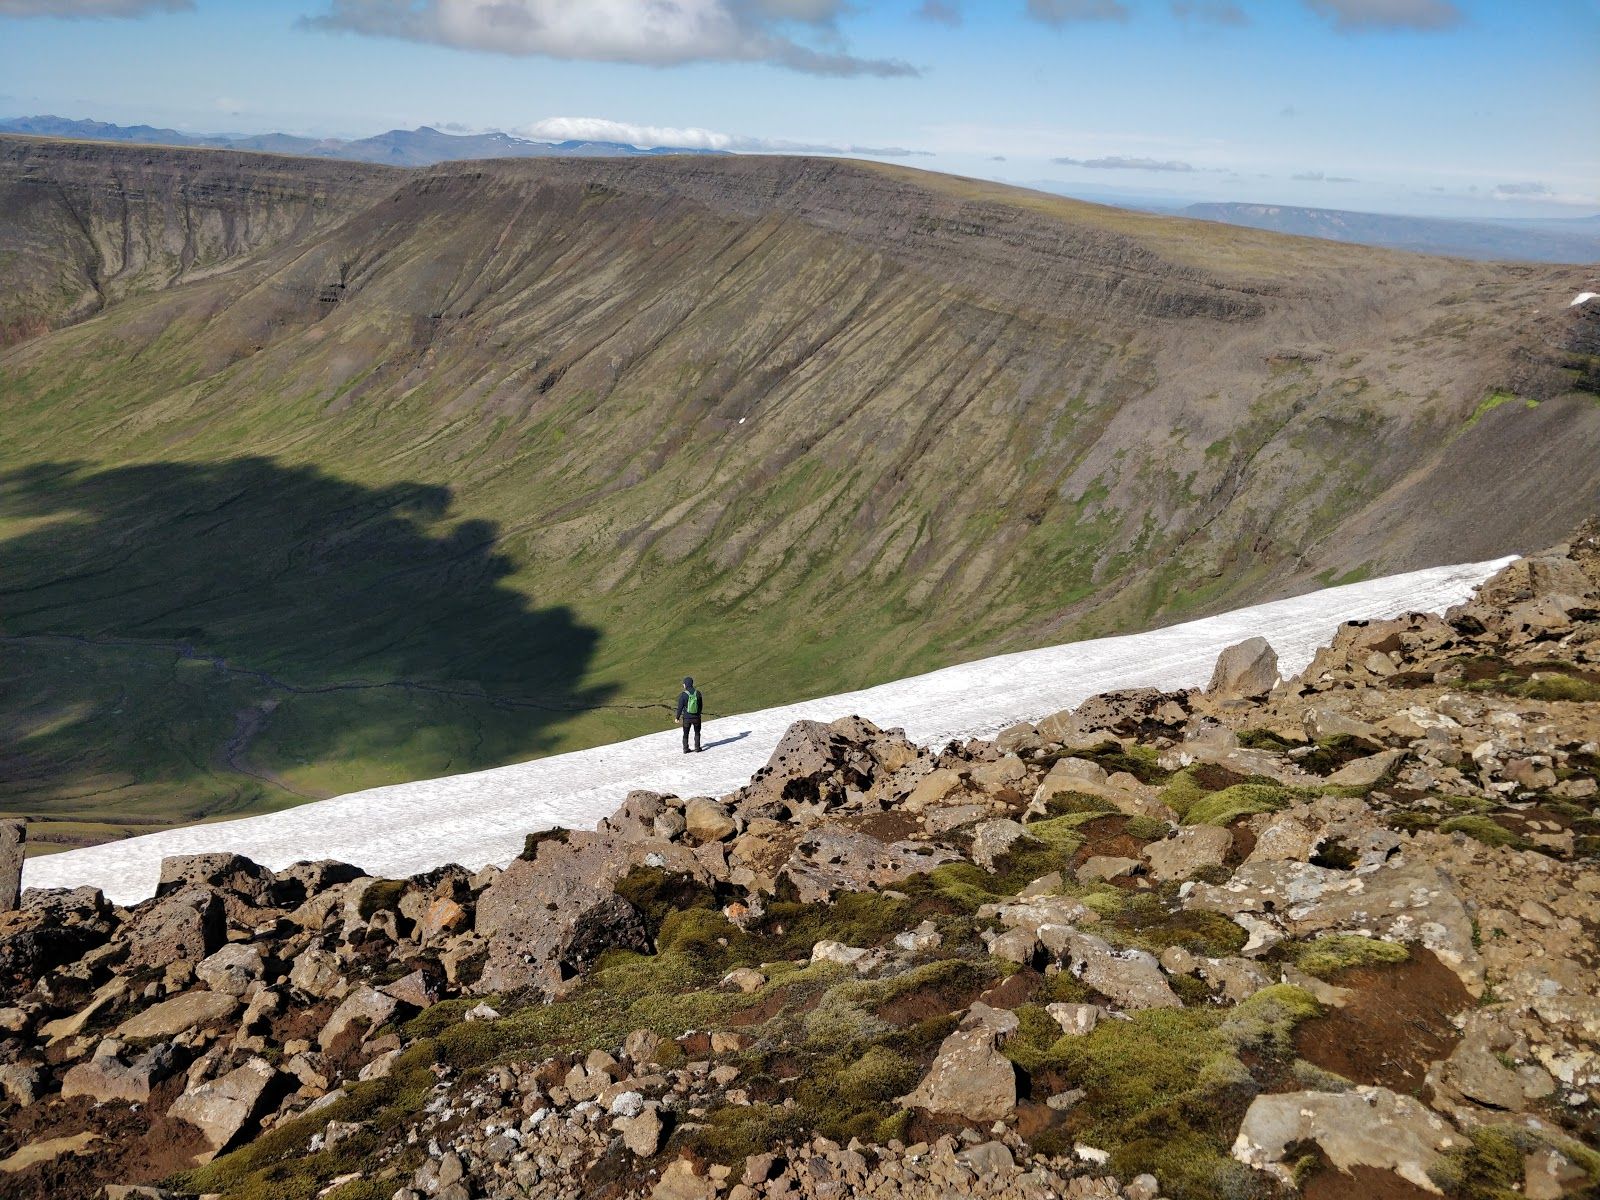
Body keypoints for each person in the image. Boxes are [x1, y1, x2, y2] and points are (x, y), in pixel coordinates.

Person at [675, 676, 704, 754]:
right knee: (697, 732)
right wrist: (698, 713)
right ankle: (697, 747)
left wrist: (677, 717)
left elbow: (680, 708)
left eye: (684, 684)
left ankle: (685, 748)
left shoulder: (683, 694)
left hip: (687, 718)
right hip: (696, 717)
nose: (683, 685)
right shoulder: (698, 693)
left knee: (686, 733)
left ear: (686, 684)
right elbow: (701, 705)